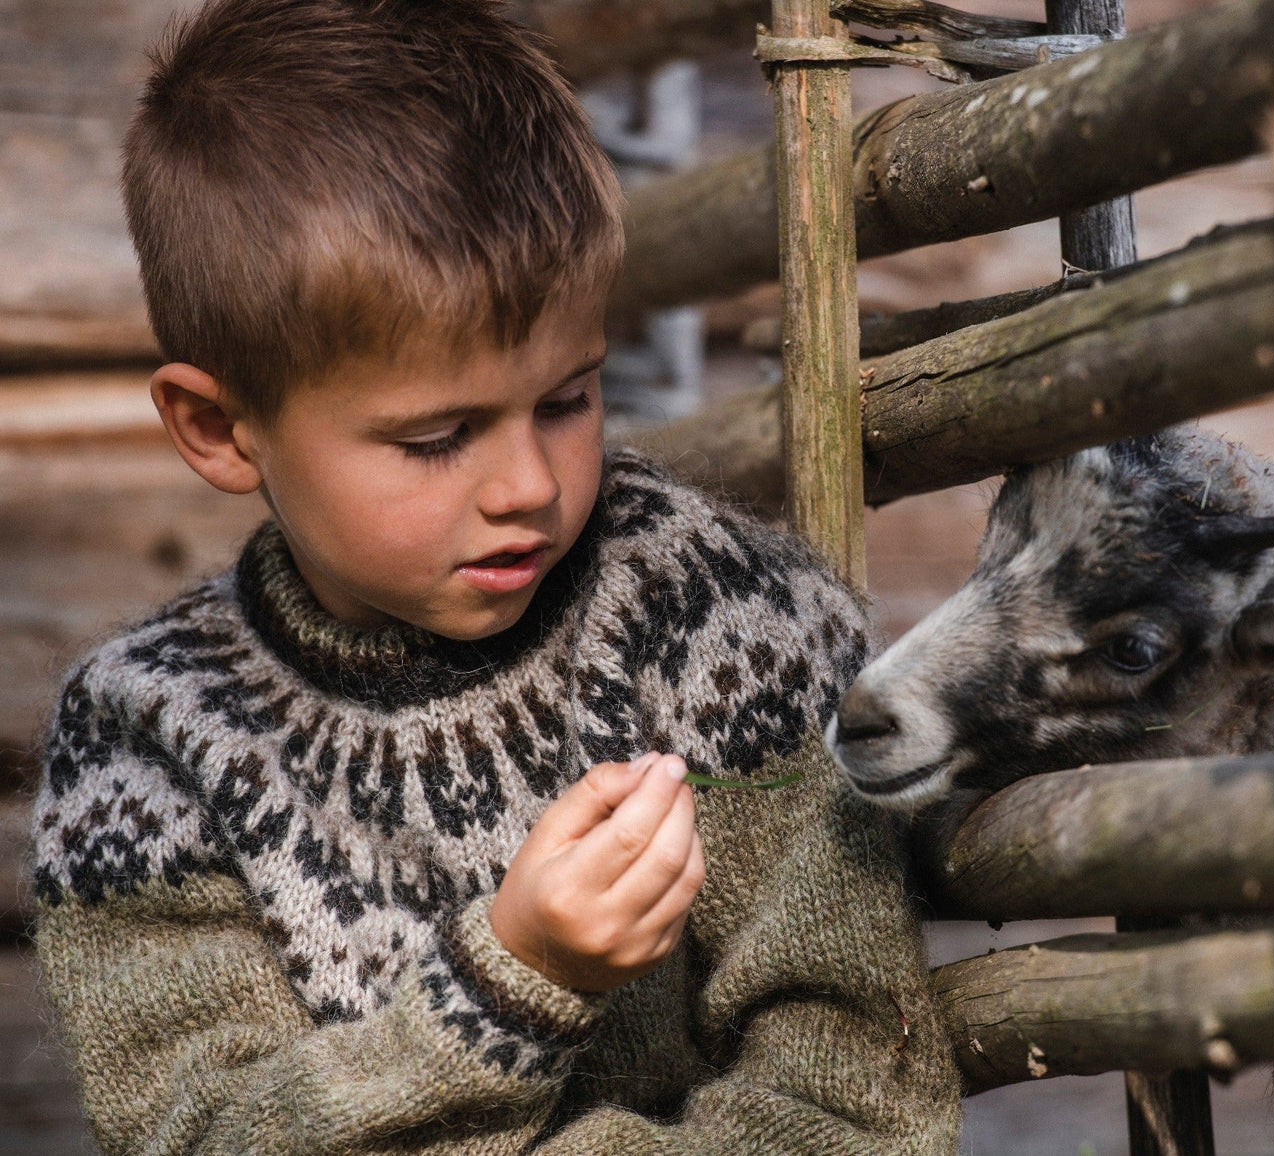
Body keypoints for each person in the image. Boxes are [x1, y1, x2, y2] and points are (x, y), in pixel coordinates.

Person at [30, 1, 962, 1151]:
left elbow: (856, 1103)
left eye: (567, 398)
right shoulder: (145, 742)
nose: (525, 481)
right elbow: (205, 1133)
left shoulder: (715, 625)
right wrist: (509, 987)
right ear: (219, 427)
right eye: (436, 438)